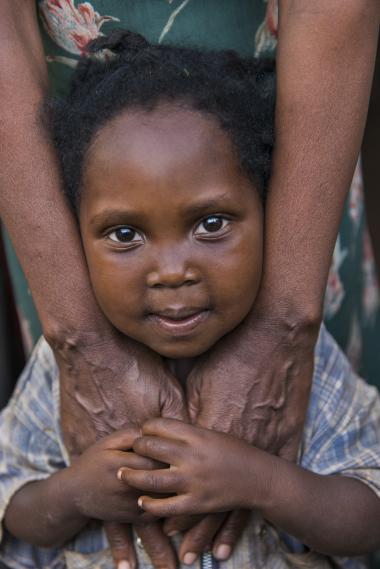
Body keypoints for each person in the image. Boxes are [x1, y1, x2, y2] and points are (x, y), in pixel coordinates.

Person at [0, 2, 379, 567]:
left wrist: (267, 484)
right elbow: (14, 502)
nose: (174, 270)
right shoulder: (57, 374)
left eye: (210, 224)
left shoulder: (311, 370)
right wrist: (75, 492)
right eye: (125, 233)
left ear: (268, 210)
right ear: (76, 231)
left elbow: (369, 517)